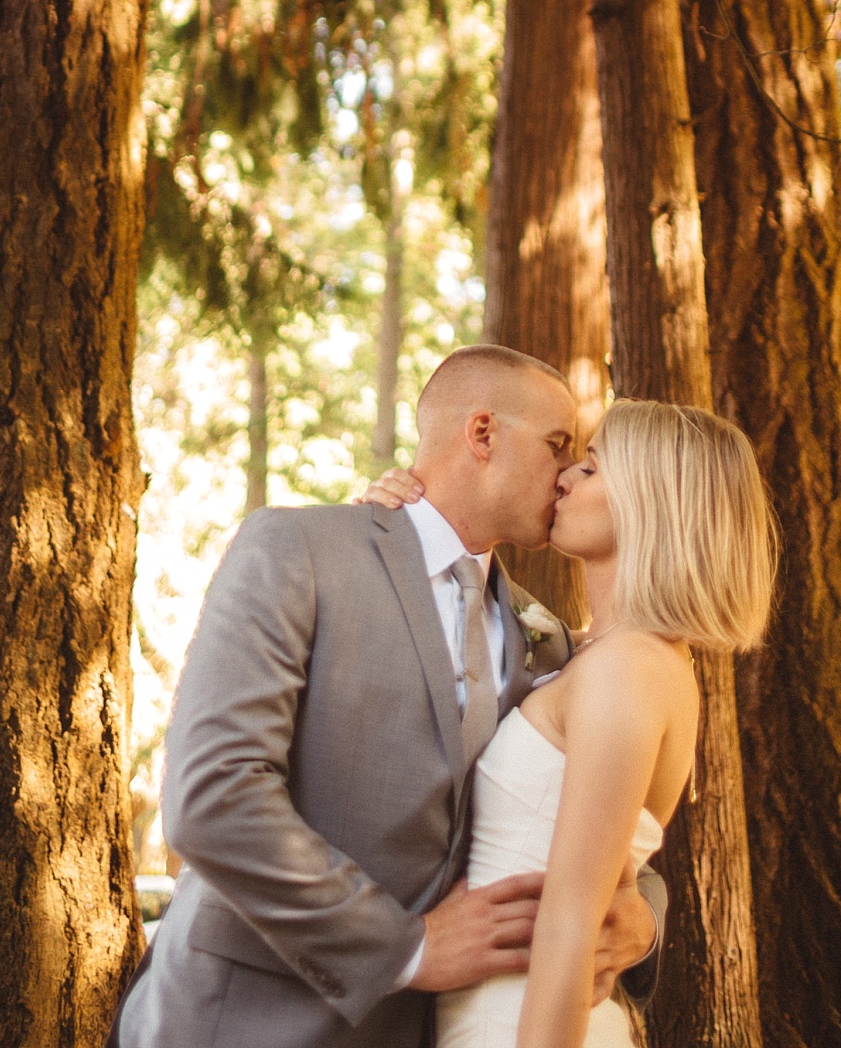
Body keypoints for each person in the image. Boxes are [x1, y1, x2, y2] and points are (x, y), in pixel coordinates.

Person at [110, 346, 665, 1048]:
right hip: (235, 1019)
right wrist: (407, 947)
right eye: (559, 446)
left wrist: (641, 919)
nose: (567, 475)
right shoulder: (298, 551)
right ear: (483, 433)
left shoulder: (547, 639)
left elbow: (596, 822)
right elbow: (213, 794)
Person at [370, 397, 777, 1048]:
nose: (563, 477)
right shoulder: (586, 652)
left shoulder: (630, 669)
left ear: (654, 500)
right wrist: (401, 527)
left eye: (591, 467)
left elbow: (572, 920)